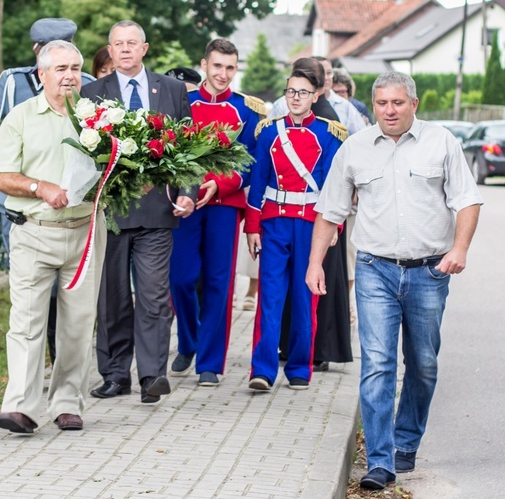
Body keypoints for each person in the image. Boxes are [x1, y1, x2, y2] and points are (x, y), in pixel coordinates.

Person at [306, 72, 483, 489]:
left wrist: (459, 250)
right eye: (382, 103)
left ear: (414, 104)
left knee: (422, 364)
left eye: (397, 103)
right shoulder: (355, 148)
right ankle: (380, 461)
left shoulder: (442, 142)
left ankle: (406, 441)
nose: (389, 110)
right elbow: (330, 210)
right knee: (378, 364)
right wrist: (315, 264)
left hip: (429, 271)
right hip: (374, 270)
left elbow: (468, 199)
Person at [0, 40, 105, 434]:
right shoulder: (20, 118)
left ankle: (68, 404)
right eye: (61, 68)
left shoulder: (98, 119)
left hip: (85, 232)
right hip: (34, 233)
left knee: (77, 322)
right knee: (26, 322)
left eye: (75, 67)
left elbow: (118, 165)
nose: (71, 75)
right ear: (42, 74)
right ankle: (20, 407)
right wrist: (41, 188)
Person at [82, 20, 195, 404]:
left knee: (153, 295)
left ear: (144, 48)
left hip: (157, 211)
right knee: (112, 297)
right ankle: (115, 375)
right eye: (118, 44)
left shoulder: (173, 89)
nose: (126, 50)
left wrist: (188, 194)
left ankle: (151, 376)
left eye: (132, 43)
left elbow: (188, 150)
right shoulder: (91, 93)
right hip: (111, 212)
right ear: (110, 51)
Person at [0, 18, 84, 366]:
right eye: (52, 54)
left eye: (68, 54)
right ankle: (37, 356)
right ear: (38, 53)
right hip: (18, 205)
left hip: (69, 211)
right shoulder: (12, 82)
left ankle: (57, 354)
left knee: (67, 291)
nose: (65, 68)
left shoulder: (84, 84)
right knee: (31, 286)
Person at [168, 38, 263, 386]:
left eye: (230, 68)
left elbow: (251, 162)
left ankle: (209, 363)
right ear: (204, 64)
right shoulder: (183, 103)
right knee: (179, 277)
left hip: (224, 205)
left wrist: (220, 185)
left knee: (217, 282)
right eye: (217, 66)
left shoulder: (247, 109)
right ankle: (190, 341)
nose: (223, 74)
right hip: (186, 204)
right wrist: (189, 189)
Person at [244, 69, 344, 392]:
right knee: (269, 297)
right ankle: (262, 369)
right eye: (290, 92)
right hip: (273, 223)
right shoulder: (269, 132)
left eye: (303, 92)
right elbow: (258, 182)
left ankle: (300, 367)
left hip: (311, 226)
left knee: (305, 298)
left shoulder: (330, 135)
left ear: (316, 95)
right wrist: (252, 226)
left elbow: (334, 188)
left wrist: (335, 226)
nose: (296, 98)